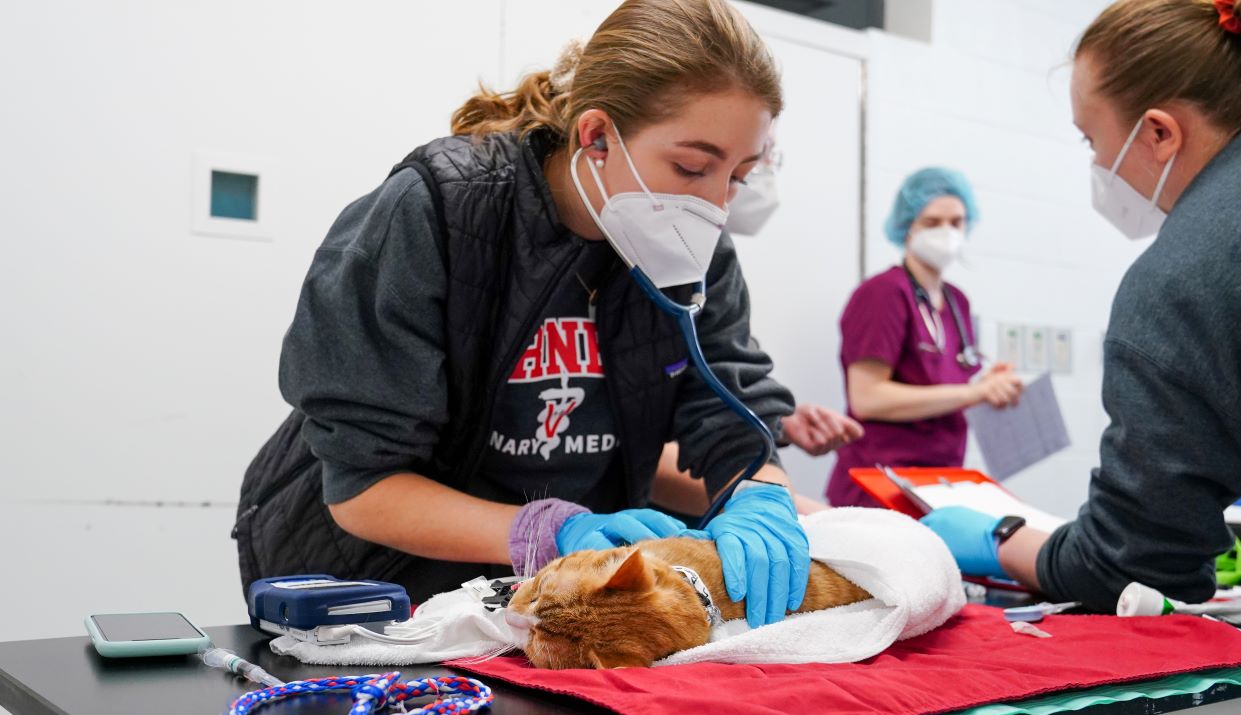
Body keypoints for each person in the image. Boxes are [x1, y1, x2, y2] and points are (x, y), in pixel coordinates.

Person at [235, 0, 810, 629]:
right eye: (693, 167)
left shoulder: (696, 251)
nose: (716, 204)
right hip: (373, 584)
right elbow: (363, 490)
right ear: (596, 136)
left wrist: (762, 495)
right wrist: (548, 530)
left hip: (555, 597)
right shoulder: (441, 211)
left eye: (740, 176)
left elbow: (725, 413)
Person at [922, 0, 1241, 612]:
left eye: (1092, 139)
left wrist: (999, 539)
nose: (1094, 164)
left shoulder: (1187, 273)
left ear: (1160, 133)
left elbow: (1137, 566)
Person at [650, 139, 863, 518]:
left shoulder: (709, 264)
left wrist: (771, 420)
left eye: (752, 166)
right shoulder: (650, 261)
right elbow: (639, 453)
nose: (732, 187)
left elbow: (706, 392)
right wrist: (802, 514)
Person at [825, 168, 1024, 507]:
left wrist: (988, 386)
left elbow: (945, 386)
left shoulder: (957, 302)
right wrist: (972, 392)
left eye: (956, 222)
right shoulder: (883, 294)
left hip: (939, 483)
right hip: (880, 484)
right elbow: (867, 398)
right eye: (932, 223)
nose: (946, 233)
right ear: (906, 228)